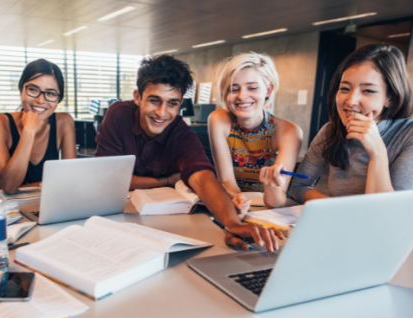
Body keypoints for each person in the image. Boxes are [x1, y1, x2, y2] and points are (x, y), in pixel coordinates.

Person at [95, 55, 283, 252]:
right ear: (137, 97)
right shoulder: (118, 114)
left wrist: (232, 224)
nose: (161, 112)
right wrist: (166, 181)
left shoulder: (180, 133)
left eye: (172, 103)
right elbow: (107, 178)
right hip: (115, 217)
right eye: (154, 100)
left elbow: (203, 177)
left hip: (159, 221)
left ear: (180, 103)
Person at [289, 44, 413, 203]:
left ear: (391, 98)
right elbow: (299, 186)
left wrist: (377, 152)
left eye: (368, 91)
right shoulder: (330, 130)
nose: (351, 101)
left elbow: (387, 211)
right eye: (345, 89)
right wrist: (334, 209)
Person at [208, 52, 302, 215]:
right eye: (234, 89)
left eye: (252, 88)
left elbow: (276, 202)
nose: (242, 96)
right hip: (235, 205)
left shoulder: (289, 132)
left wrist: (272, 186)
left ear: (268, 90)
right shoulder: (219, 120)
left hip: (272, 211)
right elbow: (227, 181)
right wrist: (239, 199)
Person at [0, 59, 76, 194]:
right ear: (21, 89)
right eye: (33, 89)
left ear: (58, 99)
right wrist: (29, 130)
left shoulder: (64, 122)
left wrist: (26, 186)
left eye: (51, 93)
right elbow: (8, 187)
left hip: (51, 203)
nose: (40, 100)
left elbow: (70, 180)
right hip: (12, 209)